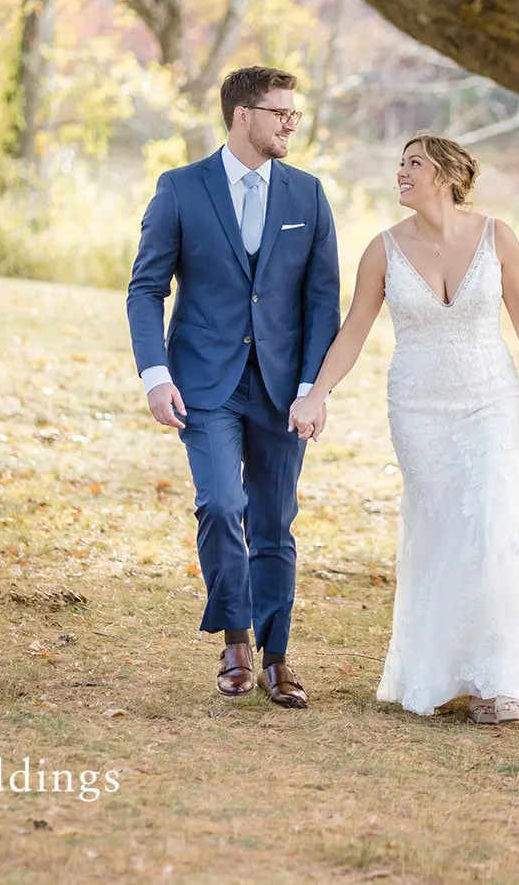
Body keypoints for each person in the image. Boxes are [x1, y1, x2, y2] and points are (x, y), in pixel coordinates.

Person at [288, 134, 519, 724]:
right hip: (418, 408)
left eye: (412, 163)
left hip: (489, 400)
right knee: (443, 529)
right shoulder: (383, 250)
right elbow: (354, 331)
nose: (400, 172)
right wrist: (318, 394)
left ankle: (503, 678)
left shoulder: (498, 237)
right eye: (399, 163)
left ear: (444, 174)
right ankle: (447, 670)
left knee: (493, 518)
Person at [125, 66, 340, 709]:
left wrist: (313, 387)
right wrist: (155, 374)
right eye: (281, 113)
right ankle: (236, 639)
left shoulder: (307, 195)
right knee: (221, 504)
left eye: (294, 115)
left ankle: (277, 657)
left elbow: (323, 300)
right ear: (242, 115)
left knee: (275, 522)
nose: (290, 124)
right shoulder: (180, 189)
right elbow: (146, 288)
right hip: (203, 384)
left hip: (282, 390)